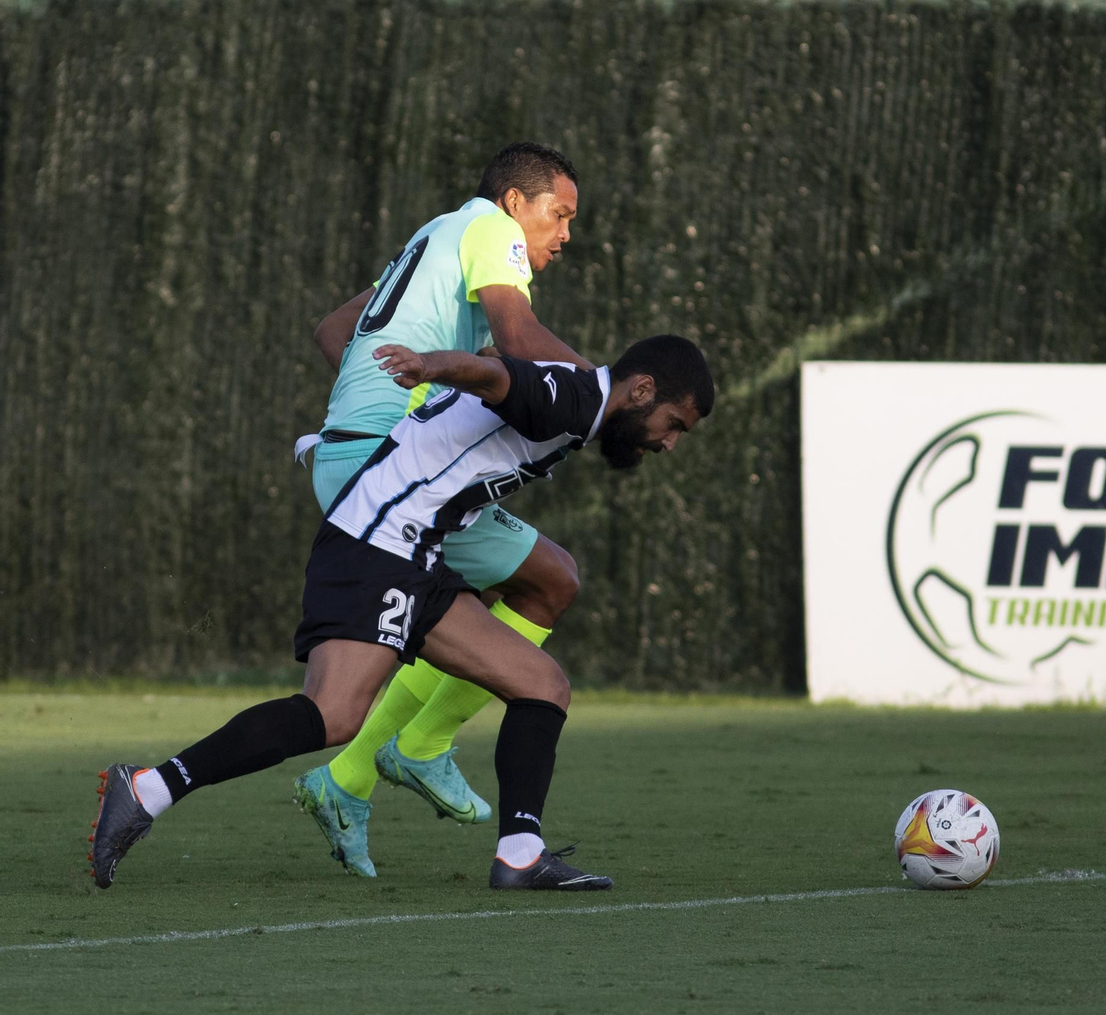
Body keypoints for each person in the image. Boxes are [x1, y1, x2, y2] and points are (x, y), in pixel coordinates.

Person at [89, 334, 714, 891]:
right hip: (377, 547)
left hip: (414, 555)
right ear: (643, 389)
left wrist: (468, 367)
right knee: (332, 716)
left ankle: (521, 854)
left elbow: (501, 369)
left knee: (542, 686)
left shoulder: (576, 400)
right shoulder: (572, 398)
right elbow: (495, 376)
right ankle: (148, 788)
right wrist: (430, 365)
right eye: (673, 423)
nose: (668, 442)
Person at [296, 142, 593, 877]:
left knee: (523, 584)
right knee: (549, 583)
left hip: (347, 455)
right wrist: (603, 387)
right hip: (382, 466)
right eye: (559, 215)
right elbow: (521, 339)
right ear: (515, 203)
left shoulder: (430, 238)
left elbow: (335, 333)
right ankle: (399, 753)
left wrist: (406, 389)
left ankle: (356, 773)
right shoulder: (491, 232)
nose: (564, 235)